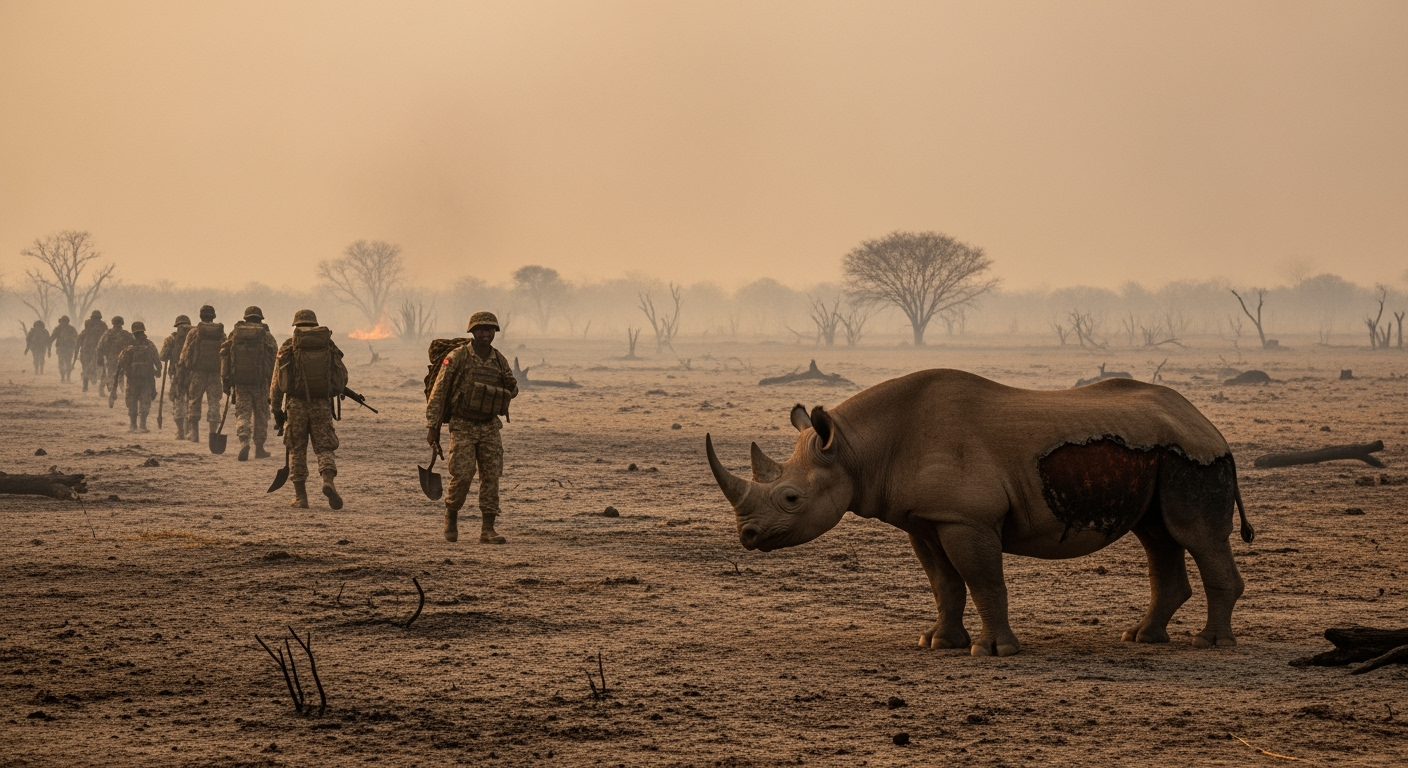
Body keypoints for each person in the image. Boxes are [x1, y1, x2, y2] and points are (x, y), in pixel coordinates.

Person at [426, 311, 518, 544]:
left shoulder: (499, 360)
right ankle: (451, 516)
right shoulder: (458, 357)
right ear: (472, 331)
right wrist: (433, 426)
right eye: (481, 329)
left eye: (490, 330)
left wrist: (512, 386)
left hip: (489, 426)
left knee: (491, 476)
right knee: (463, 474)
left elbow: (511, 393)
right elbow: (439, 391)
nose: (485, 334)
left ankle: (488, 529)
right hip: (463, 425)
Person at [270, 309, 348, 510]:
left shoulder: (288, 346)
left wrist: (277, 410)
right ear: (315, 324)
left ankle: (301, 497)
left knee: (297, 449)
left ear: (295, 325)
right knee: (324, 447)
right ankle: (328, 481)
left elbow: (277, 383)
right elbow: (342, 377)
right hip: (321, 403)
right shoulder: (328, 345)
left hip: (295, 405)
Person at [220, 306, 278, 461]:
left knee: (243, 413)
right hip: (261, 383)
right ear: (260, 318)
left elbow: (225, 353)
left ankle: (244, 442)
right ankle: (259, 448)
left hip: (241, 381)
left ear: (246, 318)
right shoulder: (266, 335)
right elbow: (274, 356)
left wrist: (226, 379)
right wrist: (272, 380)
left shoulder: (236, 333)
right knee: (261, 414)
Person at [179, 305, 225, 444]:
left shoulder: (194, 332)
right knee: (214, 403)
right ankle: (212, 435)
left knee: (194, 401)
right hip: (215, 374)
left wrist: (185, 369)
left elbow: (185, 353)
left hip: (197, 373)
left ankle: (194, 435)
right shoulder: (220, 333)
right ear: (214, 316)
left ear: (200, 316)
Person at [109, 321, 161, 432]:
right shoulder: (150, 345)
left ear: (133, 332)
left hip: (132, 379)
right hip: (147, 379)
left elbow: (121, 362)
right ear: (143, 331)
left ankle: (132, 425)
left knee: (132, 400)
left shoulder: (129, 346)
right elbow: (157, 360)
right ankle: (143, 425)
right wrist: (157, 371)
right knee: (145, 400)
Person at [159, 315, 194, 439]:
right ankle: (191, 431)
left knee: (178, 401)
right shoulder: (195, 336)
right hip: (193, 374)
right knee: (191, 401)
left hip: (176, 374)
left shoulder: (172, 339)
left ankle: (180, 432)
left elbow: (162, 356)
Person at [97, 316, 134, 398]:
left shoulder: (107, 333)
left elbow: (100, 347)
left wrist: (100, 358)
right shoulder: (127, 334)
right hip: (124, 358)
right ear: (122, 323)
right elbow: (133, 346)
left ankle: (104, 391)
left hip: (111, 358)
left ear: (113, 323)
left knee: (109, 373)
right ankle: (121, 390)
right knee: (121, 374)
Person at [77, 310, 107, 394]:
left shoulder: (86, 331)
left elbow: (78, 342)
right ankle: (97, 387)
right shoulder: (103, 328)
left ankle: (85, 385)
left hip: (87, 352)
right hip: (96, 352)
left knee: (86, 368)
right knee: (100, 369)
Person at [51, 316, 79, 383]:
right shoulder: (71, 328)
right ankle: (66, 378)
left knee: (63, 362)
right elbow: (77, 338)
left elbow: (52, 338)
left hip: (63, 348)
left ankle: (64, 378)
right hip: (67, 348)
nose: (63, 323)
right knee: (66, 362)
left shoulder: (58, 328)